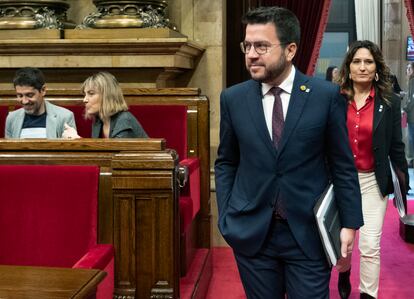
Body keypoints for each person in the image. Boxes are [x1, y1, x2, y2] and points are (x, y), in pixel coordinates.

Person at [214, 6, 363, 299]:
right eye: (248, 45)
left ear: (291, 49)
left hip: (308, 234)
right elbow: (227, 162)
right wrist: (226, 217)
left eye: (262, 46)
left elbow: (343, 165)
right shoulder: (233, 99)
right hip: (252, 233)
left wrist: (349, 224)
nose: (251, 54)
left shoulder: (325, 96)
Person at [336, 40, 409, 299]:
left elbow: (396, 147)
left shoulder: (388, 102)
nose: (363, 67)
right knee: (342, 247)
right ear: (349, 67)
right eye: (357, 61)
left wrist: (402, 183)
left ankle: (368, 294)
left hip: (371, 182)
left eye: (368, 62)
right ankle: (343, 272)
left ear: (377, 67)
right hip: (339, 182)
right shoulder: (335, 98)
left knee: (369, 245)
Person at [62, 71, 147, 139]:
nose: (85, 100)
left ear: (107, 96)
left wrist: (77, 140)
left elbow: (114, 156)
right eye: (85, 94)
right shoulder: (99, 120)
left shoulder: (124, 120)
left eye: (91, 94)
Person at [5, 67, 76, 138]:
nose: (24, 101)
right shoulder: (12, 118)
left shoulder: (64, 117)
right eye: (20, 95)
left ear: (43, 90)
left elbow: (70, 147)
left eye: (30, 95)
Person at [404, 62, 414, 167]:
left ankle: (411, 160)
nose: (407, 70)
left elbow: (412, 99)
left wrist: (405, 109)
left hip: (412, 116)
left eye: (409, 68)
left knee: (411, 138)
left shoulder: (412, 81)